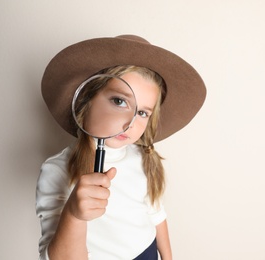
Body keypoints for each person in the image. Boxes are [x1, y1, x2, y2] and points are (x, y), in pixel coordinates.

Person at [36, 35, 206, 260]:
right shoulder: (57, 170)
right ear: (86, 98)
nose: (131, 122)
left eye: (143, 112)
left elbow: (155, 213)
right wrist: (74, 215)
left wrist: (167, 257)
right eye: (119, 101)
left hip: (146, 252)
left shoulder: (141, 157)